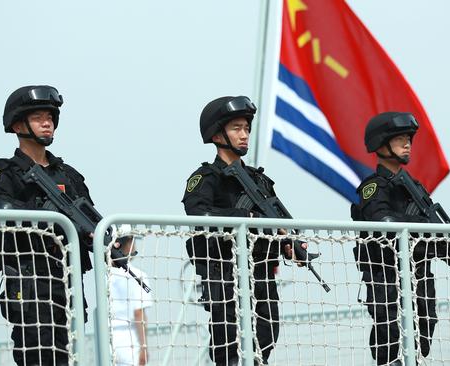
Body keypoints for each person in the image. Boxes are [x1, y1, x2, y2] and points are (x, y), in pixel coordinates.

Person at [181, 95, 304, 366]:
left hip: (260, 270)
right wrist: (244, 217)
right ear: (216, 135)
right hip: (223, 270)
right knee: (228, 343)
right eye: (236, 128)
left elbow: (277, 219)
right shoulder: (205, 179)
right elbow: (199, 214)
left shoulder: (260, 181)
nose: (244, 135)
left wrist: (289, 242)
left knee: (267, 333)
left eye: (247, 128)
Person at [0, 85, 94, 365]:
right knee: (37, 356)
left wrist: (107, 241)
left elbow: (90, 219)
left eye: (50, 117)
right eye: (38, 117)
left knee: (68, 356)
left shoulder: (69, 175)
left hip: (66, 282)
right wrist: (49, 215)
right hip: (29, 281)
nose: (47, 123)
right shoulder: (3, 173)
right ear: (18, 124)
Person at [350, 112, 450, 366]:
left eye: (409, 139)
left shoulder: (415, 188)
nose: (407, 144)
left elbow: (433, 230)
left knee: (424, 328)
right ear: (382, 144)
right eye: (400, 139)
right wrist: (422, 225)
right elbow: (383, 223)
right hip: (387, 277)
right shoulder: (374, 188)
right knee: (391, 340)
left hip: (420, 275)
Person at [109, 225, 152, 366]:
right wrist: (144, 346)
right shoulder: (138, 275)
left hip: (106, 341)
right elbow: (139, 313)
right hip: (129, 343)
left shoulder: (103, 273)